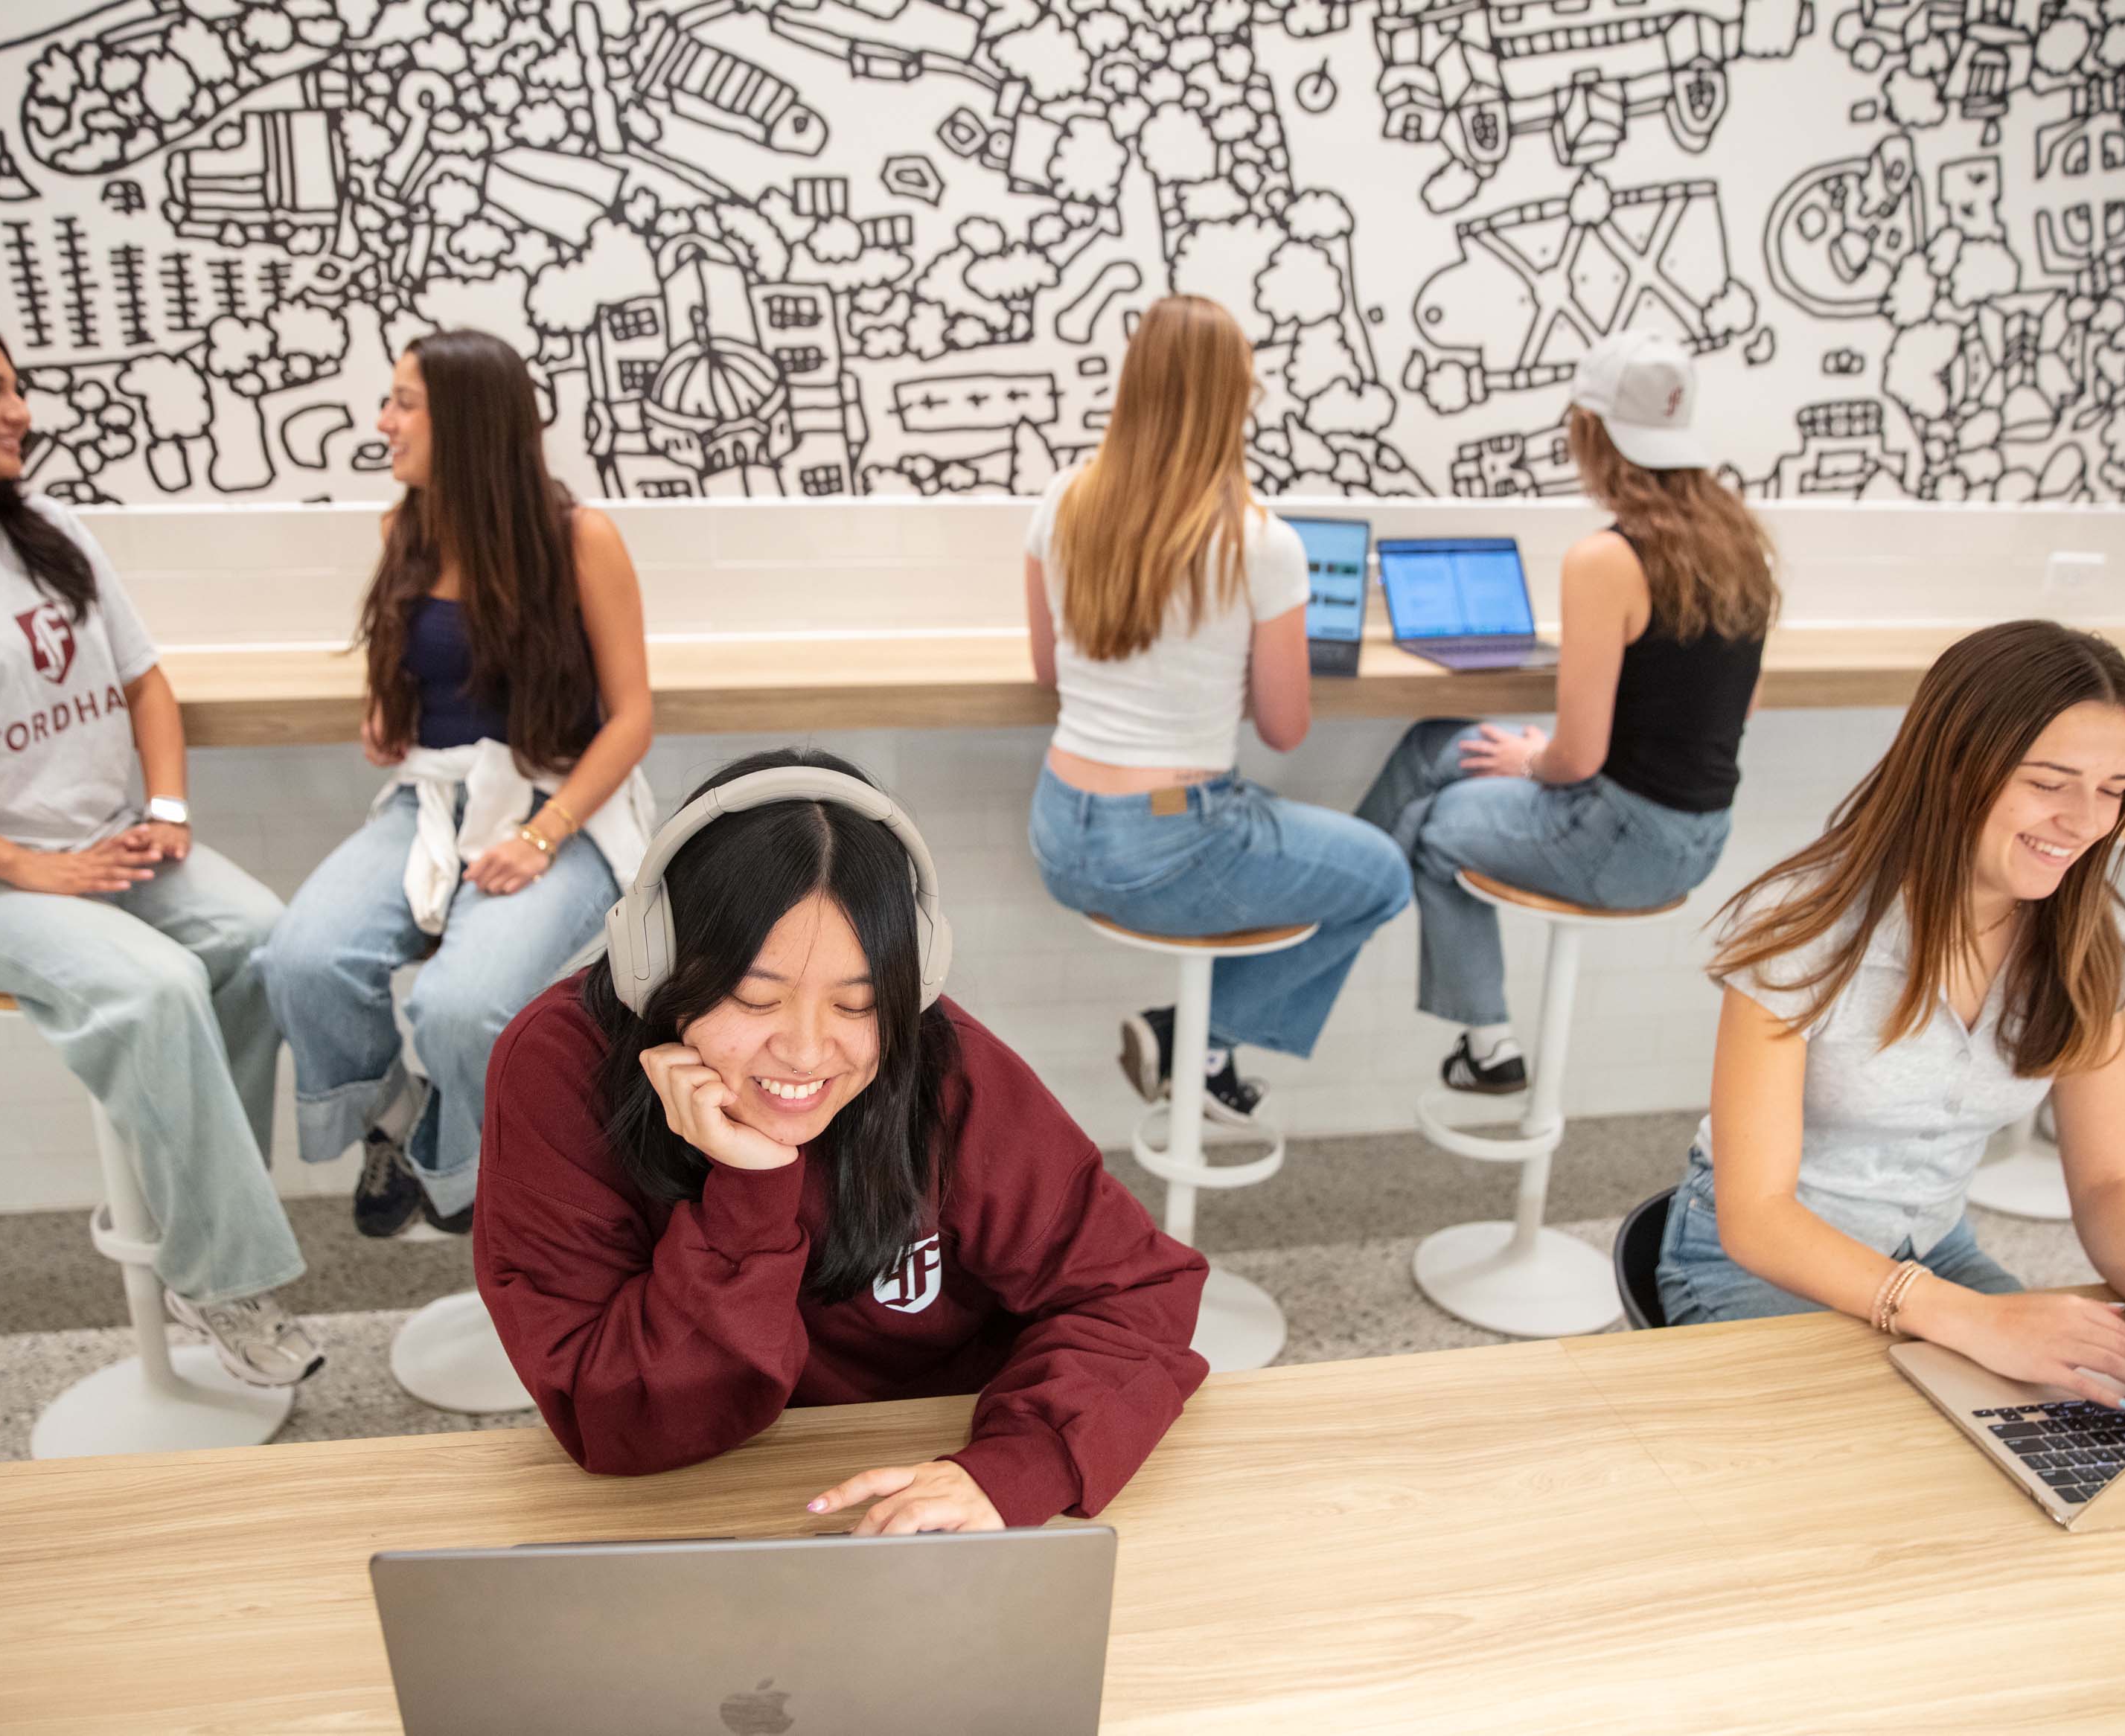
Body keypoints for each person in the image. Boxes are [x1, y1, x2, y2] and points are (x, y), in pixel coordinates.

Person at [475, 749, 1209, 1533]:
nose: (804, 1050)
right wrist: (749, 1190)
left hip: (928, 1476)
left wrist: (1012, 1468)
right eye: (755, 997)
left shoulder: (939, 1062)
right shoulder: (557, 1070)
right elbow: (617, 1419)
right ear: (654, 964)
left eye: (857, 1004)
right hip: (690, 1497)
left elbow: (1133, 1292)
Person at [0, 307, 320, 1385]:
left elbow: (145, 679)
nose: (17, 411)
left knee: (263, 936)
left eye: (14, 388)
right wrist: (29, 868)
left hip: (102, 850)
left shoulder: (45, 531)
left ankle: (194, 1207)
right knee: (161, 985)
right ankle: (224, 1277)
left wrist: (166, 813)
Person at [1658, 621, 2125, 1403]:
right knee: (1870, 1445)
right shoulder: (1801, 930)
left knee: (2086, 1415)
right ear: (1952, 767)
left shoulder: (2091, 937)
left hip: (1934, 1251)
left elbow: (2111, 1179)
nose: (2084, 822)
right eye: (2048, 784)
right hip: (1756, 1257)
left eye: (2113, 790)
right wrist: (1966, 1320)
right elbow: (1757, 1216)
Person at [260, 328, 655, 1237]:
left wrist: (541, 835)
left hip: (561, 806)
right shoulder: (405, 523)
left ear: (469, 421)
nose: (382, 420)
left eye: (403, 403)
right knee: (301, 962)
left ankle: (472, 1170)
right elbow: (411, 662)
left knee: (462, 1007)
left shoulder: (581, 538)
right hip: (431, 798)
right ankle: (402, 1124)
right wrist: (383, 710)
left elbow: (630, 717)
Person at [1357, 328, 1778, 1095]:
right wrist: (1552, 751)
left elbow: (1577, 760)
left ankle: (1483, 1039)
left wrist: (1535, 757)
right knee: (1432, 743)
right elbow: (1741, 701)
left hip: (1619, 836)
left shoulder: (1605, 559)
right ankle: (1364, 905)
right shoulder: (1736, 541)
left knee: (1434, 822)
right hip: (1701, 833)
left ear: (1588, 433)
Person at [1023, 294, 1410, 1123]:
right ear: (1235, 400)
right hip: (1169, 838)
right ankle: (1197, 1040)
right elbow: (1283, 726)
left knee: (1253, 814)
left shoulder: (1062, 502)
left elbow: (1045, 666)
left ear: (1132, 385)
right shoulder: (1259, 542)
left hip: (1058, 829)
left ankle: (1200, 1047)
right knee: (1382, 873)